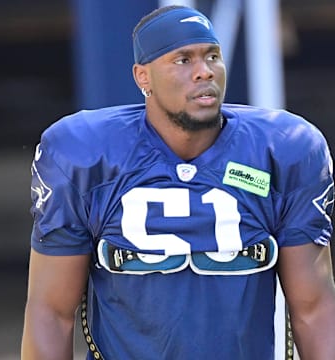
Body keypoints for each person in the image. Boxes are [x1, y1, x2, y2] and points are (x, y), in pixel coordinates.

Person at [21, 5, 335, 360]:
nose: (204, 72)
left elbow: (314, 307)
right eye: (183, 60)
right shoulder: (84, 155)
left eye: (212, 56)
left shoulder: (285, 150)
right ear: (143, 77)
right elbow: (51, 311)